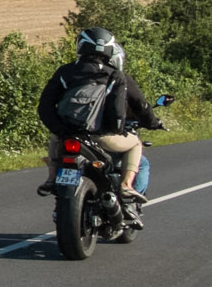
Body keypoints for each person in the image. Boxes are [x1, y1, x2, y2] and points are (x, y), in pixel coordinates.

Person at [36, 27, 163, 200]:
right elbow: (140, 105)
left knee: (55, 137)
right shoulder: (116, 75)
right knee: (135, 144)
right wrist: (153, 122)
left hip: (68, 136)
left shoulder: (65, 72)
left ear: (81, 46)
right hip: (103, 137)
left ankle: (51, 177)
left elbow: (44, 107)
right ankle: (126, 184)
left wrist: (60, 129)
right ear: (109, 50)